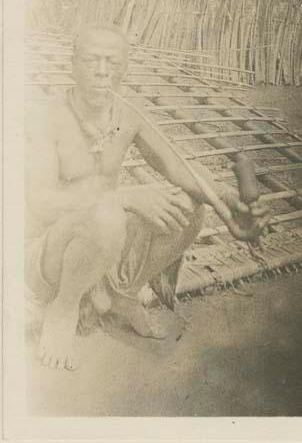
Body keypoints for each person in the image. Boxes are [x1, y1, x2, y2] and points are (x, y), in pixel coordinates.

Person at [25, 24, 270, 372]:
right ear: (73, 64)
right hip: (48, 255)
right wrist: (123, 197)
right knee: (109, 213)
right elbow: (41, 203)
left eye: (112, 61)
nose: (102, 70)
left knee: (187, 205)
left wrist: (229, 200)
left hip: (99, 245)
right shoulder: (47, 118)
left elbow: (177, 168)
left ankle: (122, 296)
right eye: (92, 60)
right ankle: (63, 308)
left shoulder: (128, 114)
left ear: (124, 68)